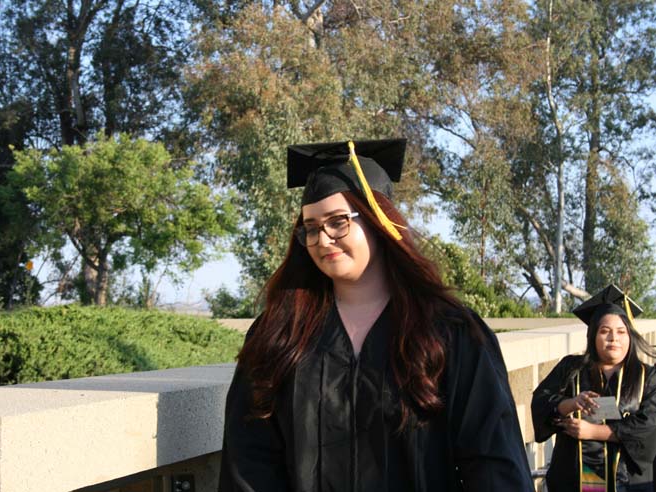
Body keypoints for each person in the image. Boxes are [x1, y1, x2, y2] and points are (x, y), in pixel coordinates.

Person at [218, 139, 534, 492]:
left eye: (338, 222)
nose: (323, 240)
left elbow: (493, 459)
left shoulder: (448, 331)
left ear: (378, 220)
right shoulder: (281, 332)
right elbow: (248, 461)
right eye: (310, 228)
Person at [532, 285, 656, 492]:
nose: (613, 338)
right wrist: (569, 404)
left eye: (621, 332)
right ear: (593, 336)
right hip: (573, 478)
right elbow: (541, 401)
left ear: (630, 336)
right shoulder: (571, 368)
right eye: (604, 331)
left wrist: (593, 431)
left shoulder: (648, 376)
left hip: (628, 482)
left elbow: (649, 427)